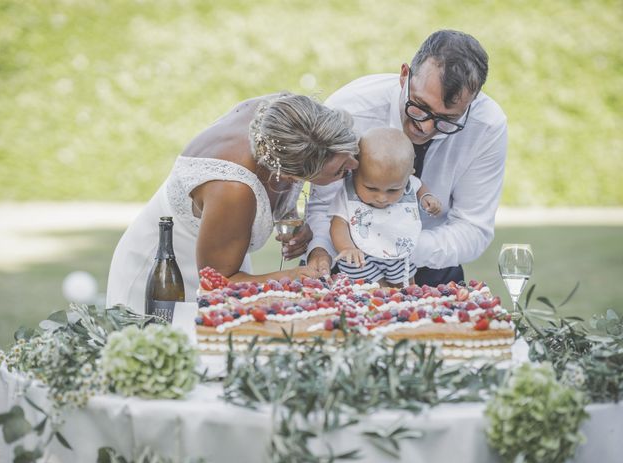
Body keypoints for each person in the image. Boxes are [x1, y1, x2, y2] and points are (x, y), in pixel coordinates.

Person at [106, 93, 359, 313]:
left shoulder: (289, 121)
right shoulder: (233, 189)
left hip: (225, 252)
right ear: (293, 173)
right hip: (165, 275)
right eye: (341, 171)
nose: (355, 165)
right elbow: (217, 284)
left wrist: (289, 214)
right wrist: (292, 276)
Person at [305, 29, 508, 286]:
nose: (426, 128)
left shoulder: (487, 126)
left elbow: (472, 227)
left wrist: (397, 247)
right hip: (347, 261)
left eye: (447, 119)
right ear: (404, 75)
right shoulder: (351, 110)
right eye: (420, 107)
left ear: (472, 103)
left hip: (432, 261)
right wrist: (321, 249)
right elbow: (324, 206)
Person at [330, 127, 441, 287]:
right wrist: (346, 247)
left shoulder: (409, 183)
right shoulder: (349, 194)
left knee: (406, 290)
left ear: (409, 175)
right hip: (361, 257)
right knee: (372, 294)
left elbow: (418, 186)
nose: (382, 198)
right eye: (371, 188)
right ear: (355, 172)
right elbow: (338, 224)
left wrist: (426, 197)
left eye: (393, 190)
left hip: (397, 252)